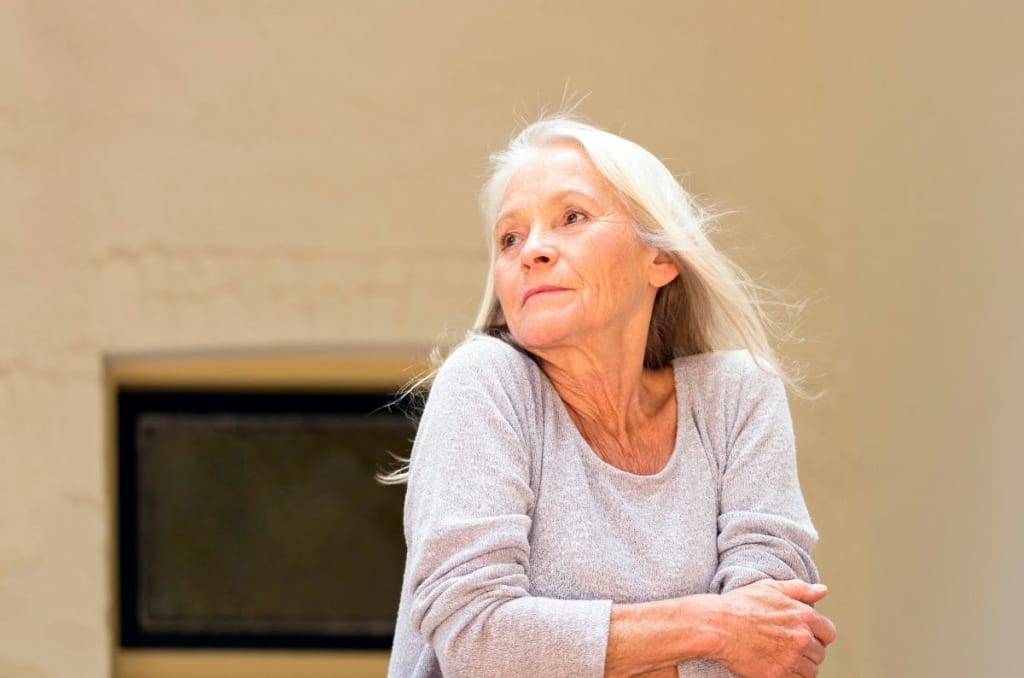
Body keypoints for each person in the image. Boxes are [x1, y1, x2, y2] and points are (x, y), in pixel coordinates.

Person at [385, 115, 836, 677]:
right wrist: (713, 626)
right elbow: (478, 642)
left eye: (571, 217)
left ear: (661, 258)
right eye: (510, 238)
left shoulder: (737, 396)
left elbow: (777, 647)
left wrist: (565, 653)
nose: (533, 252)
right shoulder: (484, 384)